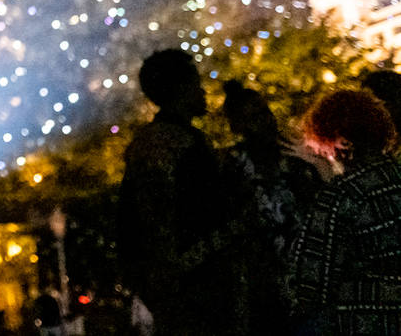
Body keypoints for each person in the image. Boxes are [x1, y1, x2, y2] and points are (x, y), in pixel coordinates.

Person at [116, 49, 234, 335]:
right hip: (200, 285)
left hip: (165, 289)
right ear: (182, 89)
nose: (203, 91)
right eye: (196, 83)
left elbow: (128, 224)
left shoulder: (143, 146)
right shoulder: (188, 146)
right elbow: (209, 214)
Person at [289, 88, 401, 332]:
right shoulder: (396, 176)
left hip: (365, 319)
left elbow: (312, 283)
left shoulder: (342, 195)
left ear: (339, 142)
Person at [219, 80, 321, 333]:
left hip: (307, 275)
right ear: (237, 125)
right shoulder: (231, 166)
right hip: (262, 283)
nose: (265, 121)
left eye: (265, 112)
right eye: (253, 117)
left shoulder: (296, 157)